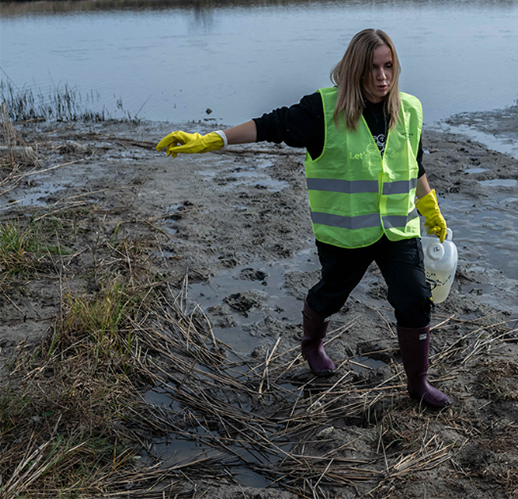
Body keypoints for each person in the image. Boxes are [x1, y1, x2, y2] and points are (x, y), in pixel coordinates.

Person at [156, 28, 452, 410]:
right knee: (331, 295)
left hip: (397, 229)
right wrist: (212, 139)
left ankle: (418, 384)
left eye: (388, 67)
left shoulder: (409, 109)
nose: (382, 77)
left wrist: (430, 210)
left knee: (415, 299)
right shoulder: (322, 110)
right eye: (372, 68)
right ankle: (312, 343)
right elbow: (270, 126)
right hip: (345, 235)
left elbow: (415, 166)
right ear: (354, 70)